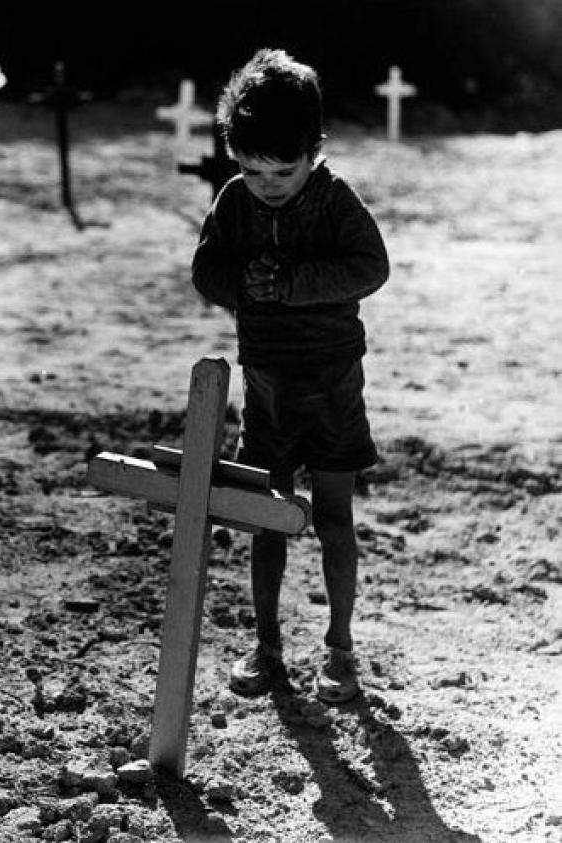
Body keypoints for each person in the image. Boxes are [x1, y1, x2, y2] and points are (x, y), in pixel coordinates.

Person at [191, 48, 389, 703]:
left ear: (314, 151)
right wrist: (242, 286)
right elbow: (206, 270)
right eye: (252, 170)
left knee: (333, 516)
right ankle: (267, 645)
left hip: (333, 383)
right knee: (267, 515)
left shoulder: (334, 200)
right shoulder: (234, 203)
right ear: (233, 156)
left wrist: (296, 283)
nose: (268, 184)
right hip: (267, 385)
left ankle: (340, 648)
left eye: (284, 170)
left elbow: (371, 267)